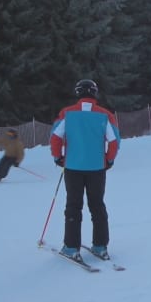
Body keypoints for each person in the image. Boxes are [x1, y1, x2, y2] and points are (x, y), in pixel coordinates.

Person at [50, 79, 120, 262]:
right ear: (95, 93)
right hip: (97, 168)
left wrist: (58, 157)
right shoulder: (105, 115)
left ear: (78, 93)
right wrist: (109, 159)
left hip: (73, 167)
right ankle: (100, 246)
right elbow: (114, 141)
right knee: (97, 205)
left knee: (73, 206)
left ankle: (71, 247)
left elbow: (55, 137)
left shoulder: (67, 113)